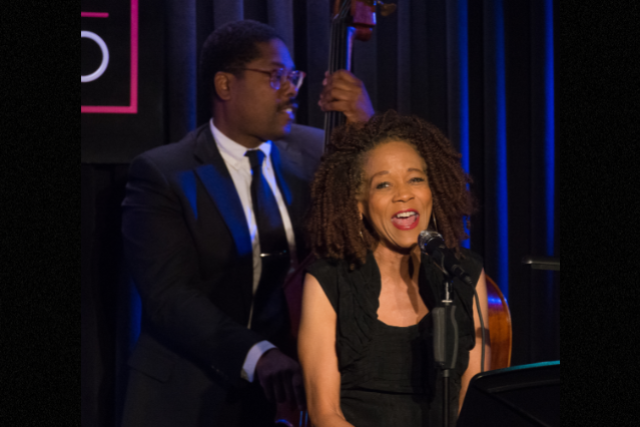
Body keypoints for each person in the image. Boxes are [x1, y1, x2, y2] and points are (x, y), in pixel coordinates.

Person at [120, 20, 373, 427]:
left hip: (295, 391)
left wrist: (366, 128)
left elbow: (385, 217)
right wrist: (260, 356)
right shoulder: (163, 173)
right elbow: (170, 297)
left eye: (293, 76)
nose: (291, 89)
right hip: (191, 393)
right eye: (276, 76)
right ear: (225, 85)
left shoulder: (319, 150)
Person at [298, 111, 491, 427]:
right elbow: (324, 413)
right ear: (359, 204)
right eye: (384, 184)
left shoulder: (462, 272)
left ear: (433, 190)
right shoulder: (328, 281)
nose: (404, 194)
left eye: (416, 179)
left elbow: (474, 406)